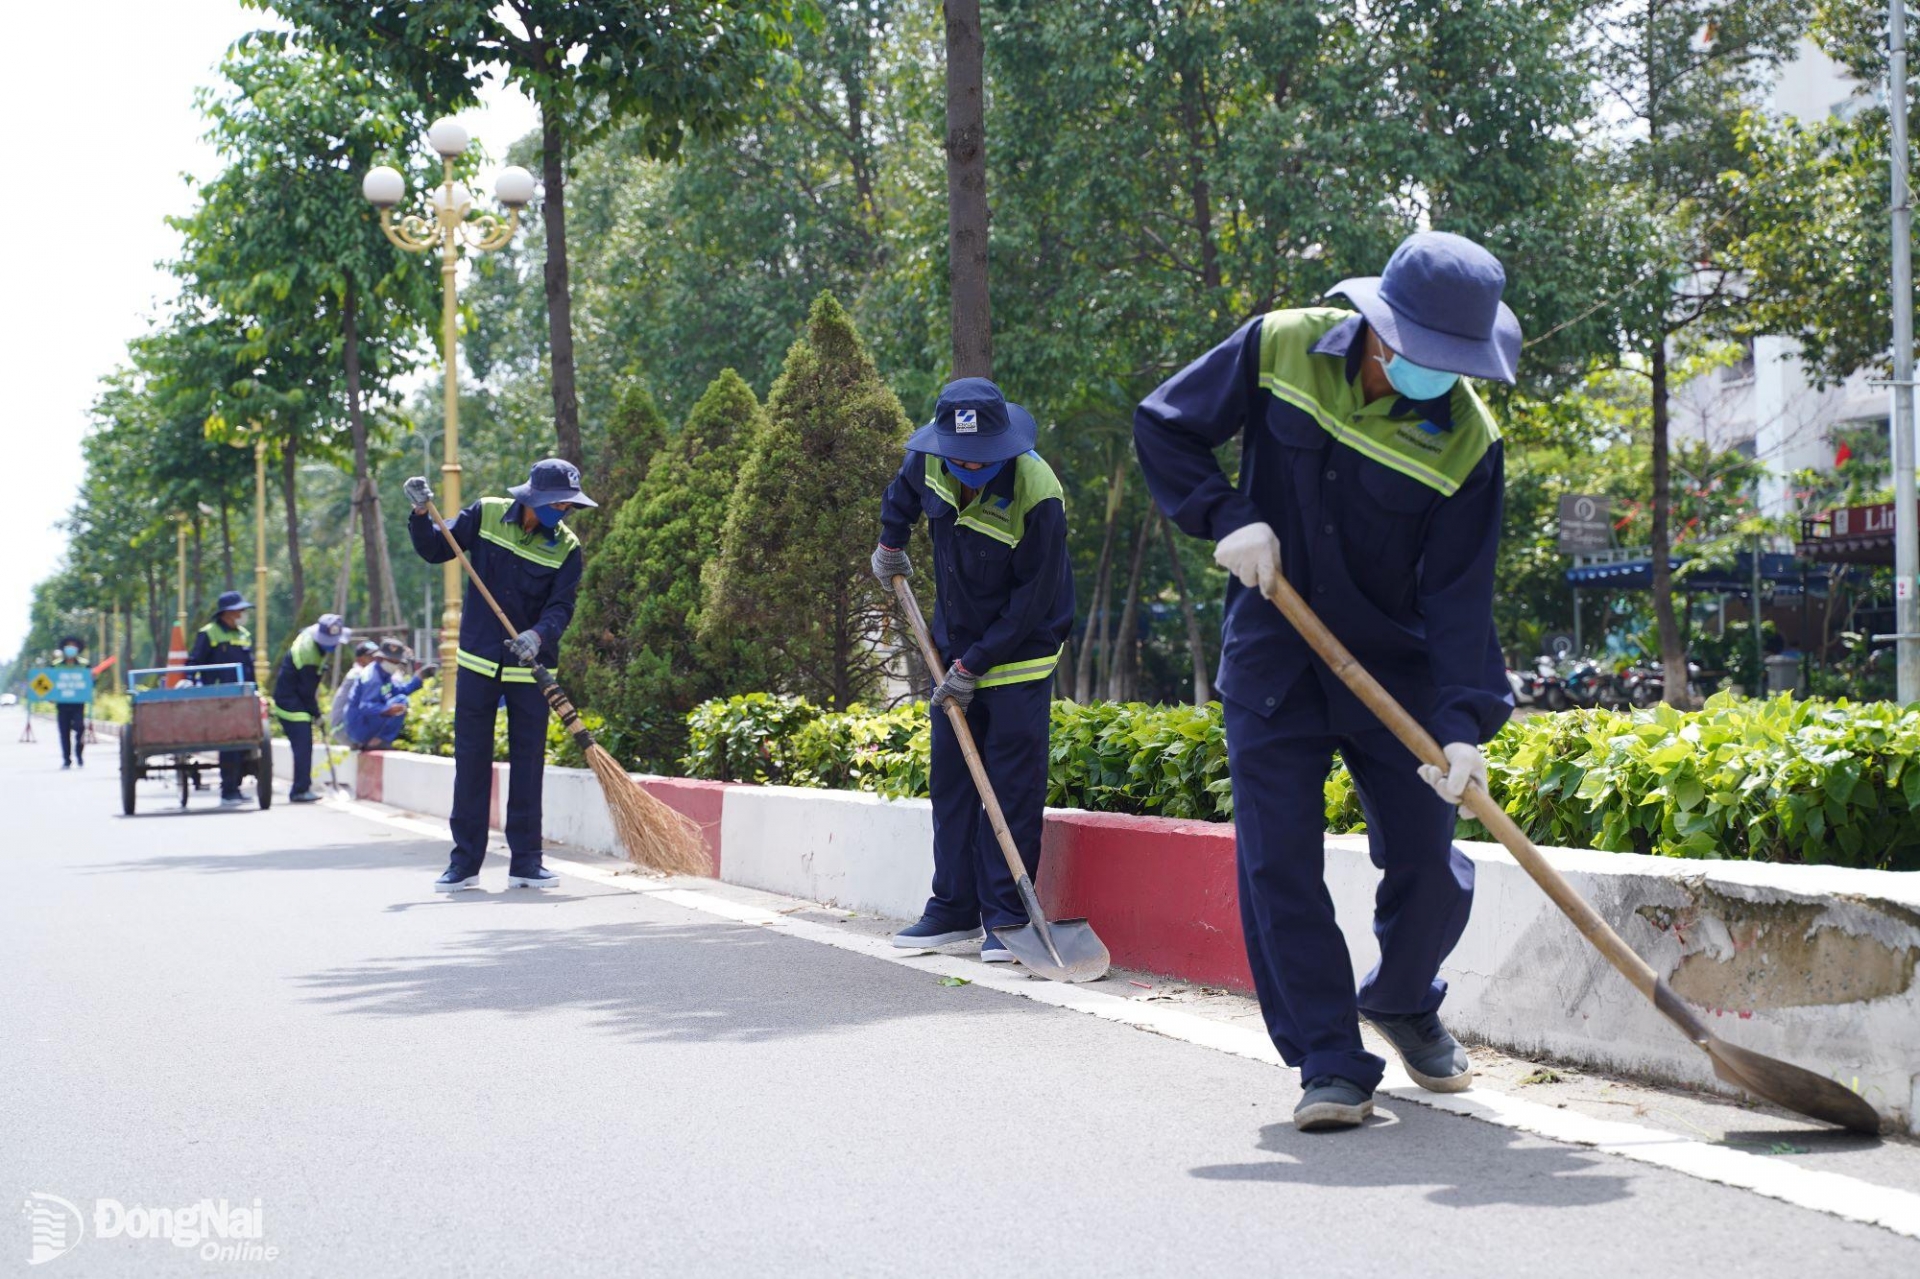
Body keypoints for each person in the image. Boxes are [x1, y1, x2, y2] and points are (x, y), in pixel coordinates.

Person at [1134, 230, 1518, 1132]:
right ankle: (1328, 1059)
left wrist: (1462, 724)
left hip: (1400, 675)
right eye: (1426, 355)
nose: (1440, 375)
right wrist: (1226, 517)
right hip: (1276, 657)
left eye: (1456, 362)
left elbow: (1462, 601)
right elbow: (1166, 424)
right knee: (1278, 866)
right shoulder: (1278, 347)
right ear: (1379, 329)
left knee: (1428, 861)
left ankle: (1403, 995)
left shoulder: (1469, 444)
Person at [871, 378, 1075, 963]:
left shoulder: (1039, 492)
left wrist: (976, 663)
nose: (967, 467)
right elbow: (900, 497)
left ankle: (1007, 921)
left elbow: (1034, 600)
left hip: (1018, 655)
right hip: (952, 646)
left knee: (1009, 788)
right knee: (953, 784)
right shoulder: (929, 460)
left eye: (980, 458)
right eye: (958, 457)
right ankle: (952, 910)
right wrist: (890, 543)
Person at [405, 459, 590, 891]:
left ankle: (526, 862)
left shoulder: (567, 547)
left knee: (528, 763)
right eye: (557, 504)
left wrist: (538, 636)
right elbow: (437, 548)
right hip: (477, 663)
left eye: (567, 506)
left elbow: (561, 607)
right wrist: (419, 514)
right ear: (533, 498)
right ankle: (464, 863)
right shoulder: (486, 513)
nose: (563, 512)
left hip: (530, 669)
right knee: (471, 762)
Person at [186, 591, 257, 806]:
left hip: (242, 696)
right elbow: (195, 661)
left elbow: (250, 667)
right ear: (227, 613)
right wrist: (189, 680)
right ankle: (228, 790)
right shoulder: (209, 633)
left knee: (245, 742)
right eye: (239, 611)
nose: (243, 614)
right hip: (219, 697)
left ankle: (236, 784)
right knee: (229, 742)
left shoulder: (244, 634)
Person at [272, 613, 348, 803]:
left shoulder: (311, 637)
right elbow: (307, 692)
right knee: (303, 746)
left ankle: (302, 787)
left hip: (297, 697)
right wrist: (317, 715)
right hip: (291, 702)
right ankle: (299, 790)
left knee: (304, 745)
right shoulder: (308, 655)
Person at [341, 639, 430, 751]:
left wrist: (418, 678)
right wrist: (386, 710)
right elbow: (364, 707)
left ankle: (379, 740)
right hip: (359, 726)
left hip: (368, 722)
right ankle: (379, 741)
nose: (394, 665)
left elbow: (399, 691)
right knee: (400, 701)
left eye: (396, 662)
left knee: (401, 700)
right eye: (391, 661)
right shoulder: (371, 677)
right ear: (380, 659)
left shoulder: (384, 674)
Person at [330, 641, 382, 736]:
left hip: (347, 726)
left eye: (377, 656)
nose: (376, 659)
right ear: (359, 660)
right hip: (342, 728)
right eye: (371, 657)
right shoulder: (358, 674)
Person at [52, 635, 88, 769]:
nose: (70, 649)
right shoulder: (56, 666)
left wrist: (93, 678)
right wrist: (50, 695)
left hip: (78, 704)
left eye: (73, 646)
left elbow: (91, 683)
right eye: (68, 646)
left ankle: (79, 754)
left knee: (80, 728)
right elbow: (50, 683)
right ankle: (67, 759)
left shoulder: (84, 665)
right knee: (64, 732)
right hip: (62, 705)